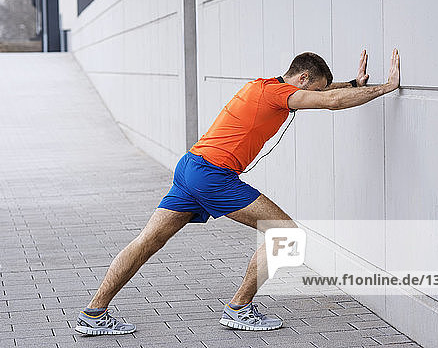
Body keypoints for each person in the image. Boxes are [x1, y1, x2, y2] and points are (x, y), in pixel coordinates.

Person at [75, 48, 401, 335]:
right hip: (213, 176)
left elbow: (328, 93)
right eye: (313, 90)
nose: (312, 99)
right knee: (286, 234)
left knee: (148, 240)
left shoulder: (261, 86)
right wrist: (386, 88)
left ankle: (94, 312)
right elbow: (331, 102)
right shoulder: (278, 95)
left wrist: (355, 85)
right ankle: (239, 308)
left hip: (191, 166)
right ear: (301, 78)